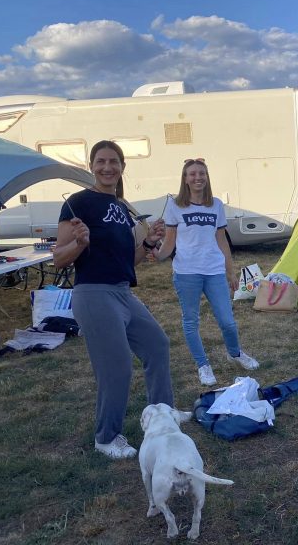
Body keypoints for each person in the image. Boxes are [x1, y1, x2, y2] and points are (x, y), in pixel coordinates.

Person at [53, 140, 173, 459]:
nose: (108, 167)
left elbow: (127, 261)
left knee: (157, 346)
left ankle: (162, 418)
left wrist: (148, 242)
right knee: (116, 368)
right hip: (93, 293)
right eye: (101, 161)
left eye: (114, 162)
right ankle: (107, 437)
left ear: (123, 167)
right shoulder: (79, 203)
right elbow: (58, 259)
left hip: (122, 291)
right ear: (91, 166)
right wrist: (79, 244)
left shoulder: (121, 208)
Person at [152, 157, 259, 386]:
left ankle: (235, 353)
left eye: (201, 173)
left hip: (214, 270)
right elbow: (169, 242)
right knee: (191, 321)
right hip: (186, 272)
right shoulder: (175, 206)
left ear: (206, 177)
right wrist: (158, 254)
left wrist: (230, 272)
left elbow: (222, 240)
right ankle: (203, 365)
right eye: (192, 174)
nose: (197, 177)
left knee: (227, 321)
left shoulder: (216, 205)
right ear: (185, 178)